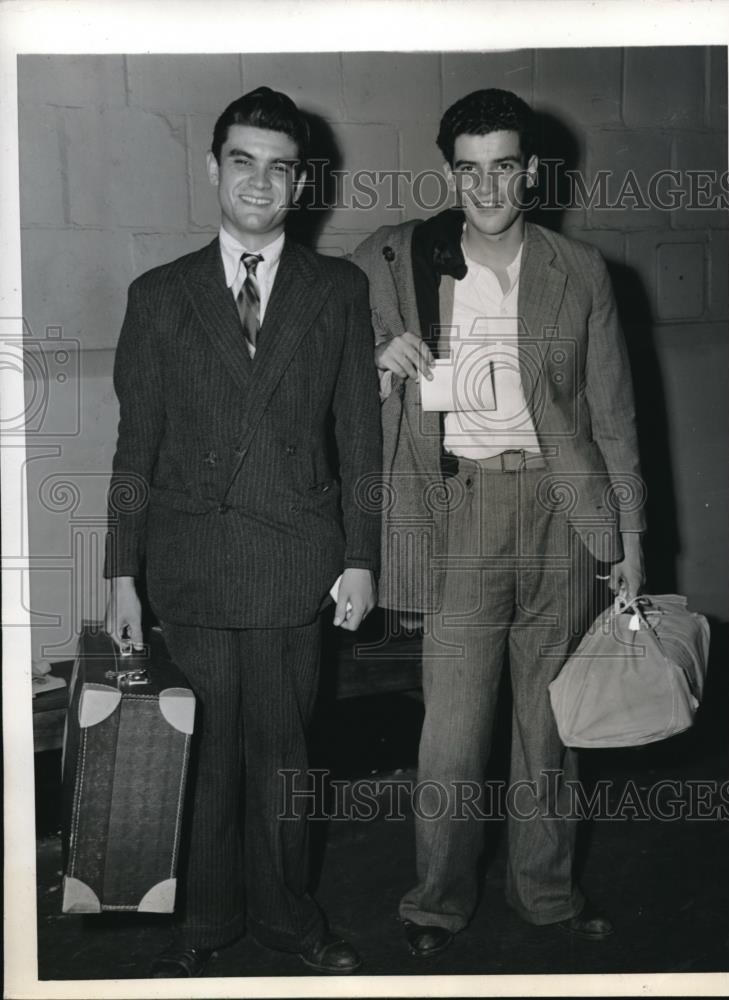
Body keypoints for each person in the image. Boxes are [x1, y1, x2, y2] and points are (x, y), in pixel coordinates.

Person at [351, 88, 645, 957]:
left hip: (561, 509)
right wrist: (378, 357)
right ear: (450, 173)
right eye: (469, 170)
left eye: (504, 167)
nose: (486, 187)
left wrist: (629, 543)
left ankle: (546, 896)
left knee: (548, 726)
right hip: (461, 511)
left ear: (531, 172)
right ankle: (435, 902)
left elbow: (615, 417)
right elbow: (331, 349)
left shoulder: (580, 270)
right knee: (451, 728)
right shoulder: (394, 258)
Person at [104, 86, 381, 977]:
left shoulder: (337, 289)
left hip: (298, 567)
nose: (259, 183)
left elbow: (361, 443)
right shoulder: (160, 295)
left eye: (279, 166)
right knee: (207, 756)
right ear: (213, 168)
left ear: (301, 183)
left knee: (286, 760)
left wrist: (361, 559)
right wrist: (120, 574)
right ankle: (207, 923)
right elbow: (134, 446)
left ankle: (289, 919)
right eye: (242, 161)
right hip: (190, 567)